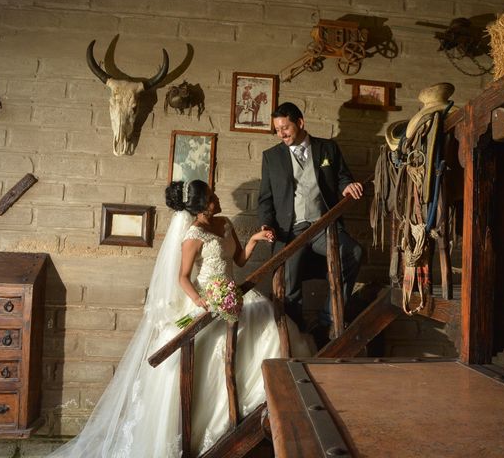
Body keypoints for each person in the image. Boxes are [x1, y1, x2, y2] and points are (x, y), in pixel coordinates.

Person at [48, 180, 309, 458]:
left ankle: (256, 404)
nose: (217, 199)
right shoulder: (193, 235)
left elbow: (241, 262)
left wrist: (255, 240)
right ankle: (210, 427)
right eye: (210, 198)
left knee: (270, 326)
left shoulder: (224, 225)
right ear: (199, 208)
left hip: (232, 296)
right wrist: (202, 301)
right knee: (201, 353)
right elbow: (183, 278)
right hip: (208, 301)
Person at [258, 102, 363, 345]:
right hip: (289, 231)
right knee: (289, 285)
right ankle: (296, 340)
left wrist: (347, 185)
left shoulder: (328, 148)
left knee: (353, 254)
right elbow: (266, 198)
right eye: (277, 130)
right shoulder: (271, 157)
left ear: (300, 123)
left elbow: (341, 177)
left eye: (285, 127)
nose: (281, 133)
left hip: (323, 225)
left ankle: (328, 319)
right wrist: (266, 225)